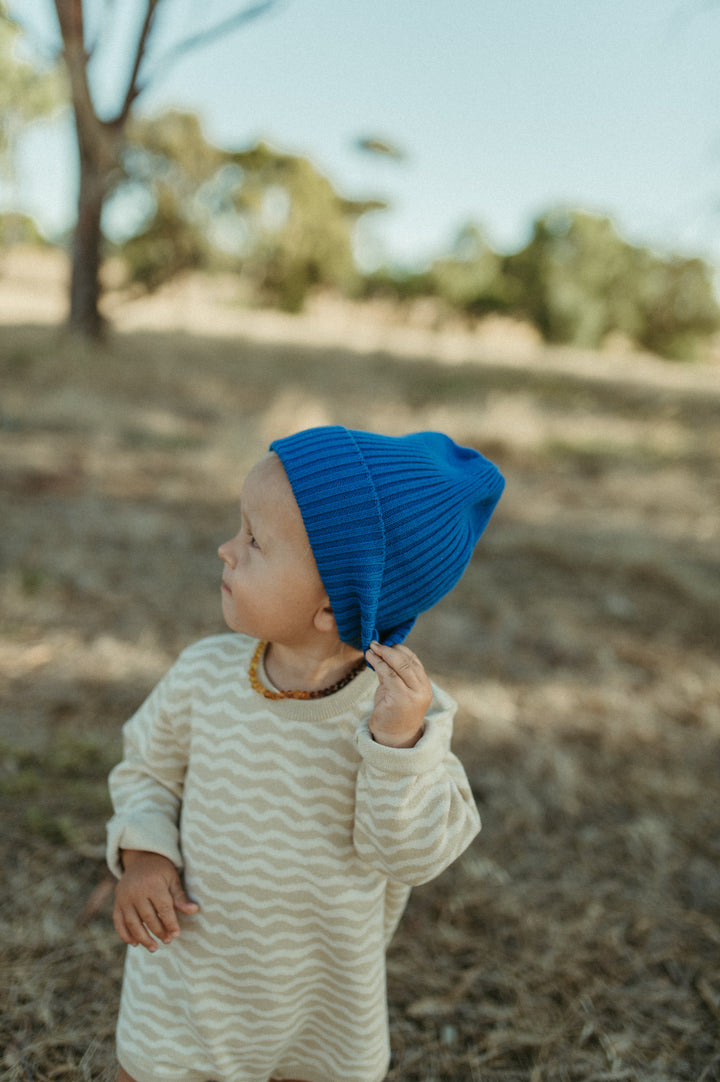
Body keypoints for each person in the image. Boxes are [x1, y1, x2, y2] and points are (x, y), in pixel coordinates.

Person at [107, 425, 505, 1082]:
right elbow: (147, 767)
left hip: (323, 997)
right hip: (191, 971)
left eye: (255, 541)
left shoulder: (406, 717)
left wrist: (397, 747)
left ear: (333, 602)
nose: (226, 550)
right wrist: (145, 854)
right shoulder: (205, 673)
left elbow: (410, 855)